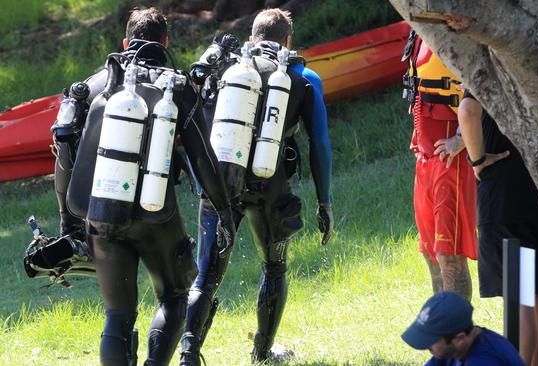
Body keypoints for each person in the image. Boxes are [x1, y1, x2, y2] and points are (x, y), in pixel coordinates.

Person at [58, 8, 236, 365]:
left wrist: (68, 221)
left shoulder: (94, 86)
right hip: (157, 215)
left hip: (102, 215)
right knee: (173, 297)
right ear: (165, 42)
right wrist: (224, 211)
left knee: (118, 317)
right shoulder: (177, 86)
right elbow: (203, 157)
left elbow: (64, 151)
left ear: (124, 42)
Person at [180, 8, 333, 365]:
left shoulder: (228, 71)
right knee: (275, 268)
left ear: (251, 38)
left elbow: (195, 126)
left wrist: (197, 179)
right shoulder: (303, 76)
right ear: (288, 41)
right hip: (272, 189)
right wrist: (324, 203)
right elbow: (320, 144)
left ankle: (189, 354)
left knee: (206, 275)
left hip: (221, 186)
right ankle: (262, 354)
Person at [436, 88, 538, 366]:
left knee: (518, 301)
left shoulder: (484, 66)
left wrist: (477, 160)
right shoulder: (524, 59)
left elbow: (467, 111)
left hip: (506, 198)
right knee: (536, 295)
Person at [402, 32, 477, 300]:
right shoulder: (420, 28)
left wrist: (461, 138)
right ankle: (443, 333)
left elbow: (487, 80)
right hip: (425, 156)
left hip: (450, 160)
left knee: (450, 256)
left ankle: (460, 336)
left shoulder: (452, 25)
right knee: (431, 255)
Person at [402, 291, 525, 366]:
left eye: (431, 341)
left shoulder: (484, 360)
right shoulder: (454, 349)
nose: (427, 347)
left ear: (460, 338)